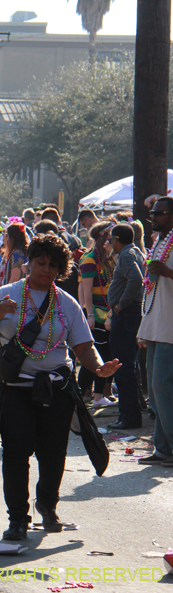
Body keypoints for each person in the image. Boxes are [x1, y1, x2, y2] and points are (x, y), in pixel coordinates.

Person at [0, 233, 120, 541]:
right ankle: (17, 517)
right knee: (16, 453)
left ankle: (47, 506)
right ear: (29, 262)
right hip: (15, 388)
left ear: (61, 270)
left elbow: (83, 346)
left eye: (53, 265)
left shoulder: (67, 303)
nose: (46, 269)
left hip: (56, 389)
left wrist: (98, 367)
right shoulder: (6, 294)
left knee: (53, 453)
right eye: (40, 262)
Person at [137, 197, 173, 467]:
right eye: (152, 212)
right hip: (155, 324)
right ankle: (162, 449)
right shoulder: (160, 241)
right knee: (154, 389)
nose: (153, 217)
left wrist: (168, 273)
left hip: (171, 327)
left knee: (162, 386)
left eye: (158, 213)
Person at [106, 223, 146, 429]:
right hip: (131, 315)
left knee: (122, 367)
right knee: (127, 366)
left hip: (127, 315)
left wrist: (121, 304)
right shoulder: (135, 251)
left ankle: (129, 418)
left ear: (116, 239)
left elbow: (137, 278)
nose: (109, 244)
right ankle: (127, 415)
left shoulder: (126, 255)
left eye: (110, 240)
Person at [78, 221, 116, 407]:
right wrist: (90, 315)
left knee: (106, 352)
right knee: (99, 354)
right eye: (112, 235)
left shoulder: (109, 258)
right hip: (97, 316)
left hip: (108, 313)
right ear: (104, 237)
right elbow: (86, 291)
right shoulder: (89, 259)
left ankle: (95, 395)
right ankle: (94, 396)